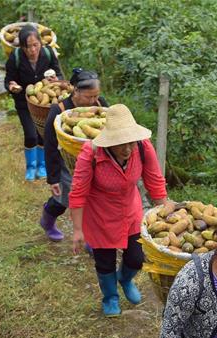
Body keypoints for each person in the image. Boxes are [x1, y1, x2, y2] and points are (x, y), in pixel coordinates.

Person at [68, 104, 167, 317]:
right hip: (99, 215)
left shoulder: (142, 147)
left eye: (130, 142)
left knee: (136, 257)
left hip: (130, 211)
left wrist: (164, 211)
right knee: (104, 260)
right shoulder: (91, 153)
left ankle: (125, 278)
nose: (127, 149)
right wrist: (77, 229)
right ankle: (110, 296)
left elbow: (154, 181)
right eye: (120, 144)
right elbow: (78, 192)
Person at [39, 68, 109, 242]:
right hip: (66, 163)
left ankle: (91, 241)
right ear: (75, 90)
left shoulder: (100, 104)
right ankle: (47, 220)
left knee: (93, 200)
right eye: (88, 97)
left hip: (94, 161)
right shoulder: (59, 110)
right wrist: (53, 178)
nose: (93, 101)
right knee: (64, 199)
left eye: (95, 96)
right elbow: (50, 145)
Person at [4, 25, 63, 181]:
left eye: (35, 45)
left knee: (43, 134)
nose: (32, 50)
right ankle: (31, 166)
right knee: (31, 135)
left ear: (40, 43)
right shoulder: (15, 57)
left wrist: (56, 80)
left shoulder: (48, 53)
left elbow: (58, 72)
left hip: (43, 104)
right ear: (22, 46)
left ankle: (42, 165)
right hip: (24, 102)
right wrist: (12, 86)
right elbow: (9, 79)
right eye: (28, 46)